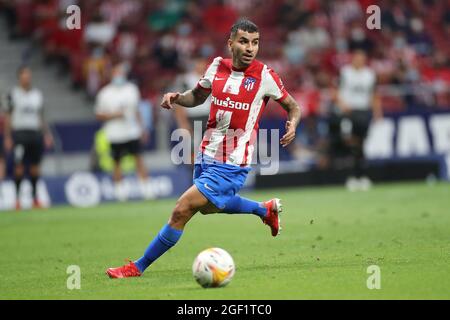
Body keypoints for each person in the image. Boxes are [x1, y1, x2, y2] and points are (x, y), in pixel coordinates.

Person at [106, 19, 301, 278]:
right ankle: (264, 210)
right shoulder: (217, 67)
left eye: (255, 42)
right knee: (209, 207)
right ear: (230, 43)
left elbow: (294, 106)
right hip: (206, 153)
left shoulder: (265, 76)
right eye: (244, 41)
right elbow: (197, 96)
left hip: (233, 161)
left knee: (181, 209)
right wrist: (177, 97)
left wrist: (293, 124)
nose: (250, 48)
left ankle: (137, 267)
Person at [95, 61, 152, 201]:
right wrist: (114, 115)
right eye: (116, 73)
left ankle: (147, 190)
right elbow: (98, 114)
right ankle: (121, 193)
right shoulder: (105, 93)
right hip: (114, 134)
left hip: (132, 131)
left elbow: (137, 110)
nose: (119, 76)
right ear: (112, 75)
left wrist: (142, 128)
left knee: (139, 159)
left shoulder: (132, 89)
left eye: (121, 73)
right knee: (117, 162)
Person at [3, 66, 54, 210]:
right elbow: (8, 117)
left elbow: (41, 117)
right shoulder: (13, 94)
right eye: (24, 75)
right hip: (19, 134)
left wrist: (46, 134)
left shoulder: (37, 94)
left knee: (35, 167)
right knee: (19, 167)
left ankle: (35, 199)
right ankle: (17, 200)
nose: (27, 77)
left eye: (29, 75)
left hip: (35, 134)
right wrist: (7, 136)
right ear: (19, 77)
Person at [334, 49, 382, 191]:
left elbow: (374, 94)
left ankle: (359, 177)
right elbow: (335, 91)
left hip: (364, 111)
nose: (359, 61)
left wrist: (377, 111)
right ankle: (355, 176)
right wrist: (342, 104)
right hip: (349, 112)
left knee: (361, 145)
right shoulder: (345, 72)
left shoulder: (369, 75)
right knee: (351, 143)